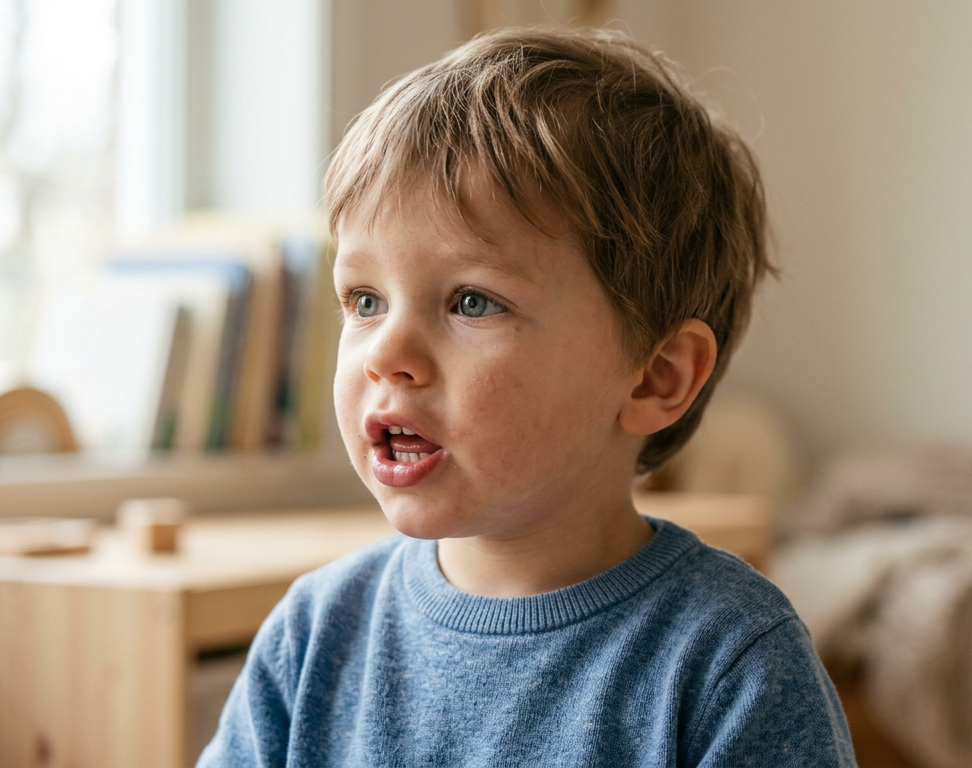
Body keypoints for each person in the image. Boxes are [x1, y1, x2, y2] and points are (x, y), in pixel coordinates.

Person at [200, 25, 855, 767]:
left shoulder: (730, 661)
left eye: (472, 302)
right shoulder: (315, 635)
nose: (387, 354)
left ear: (655, 375)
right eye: (364, 299)